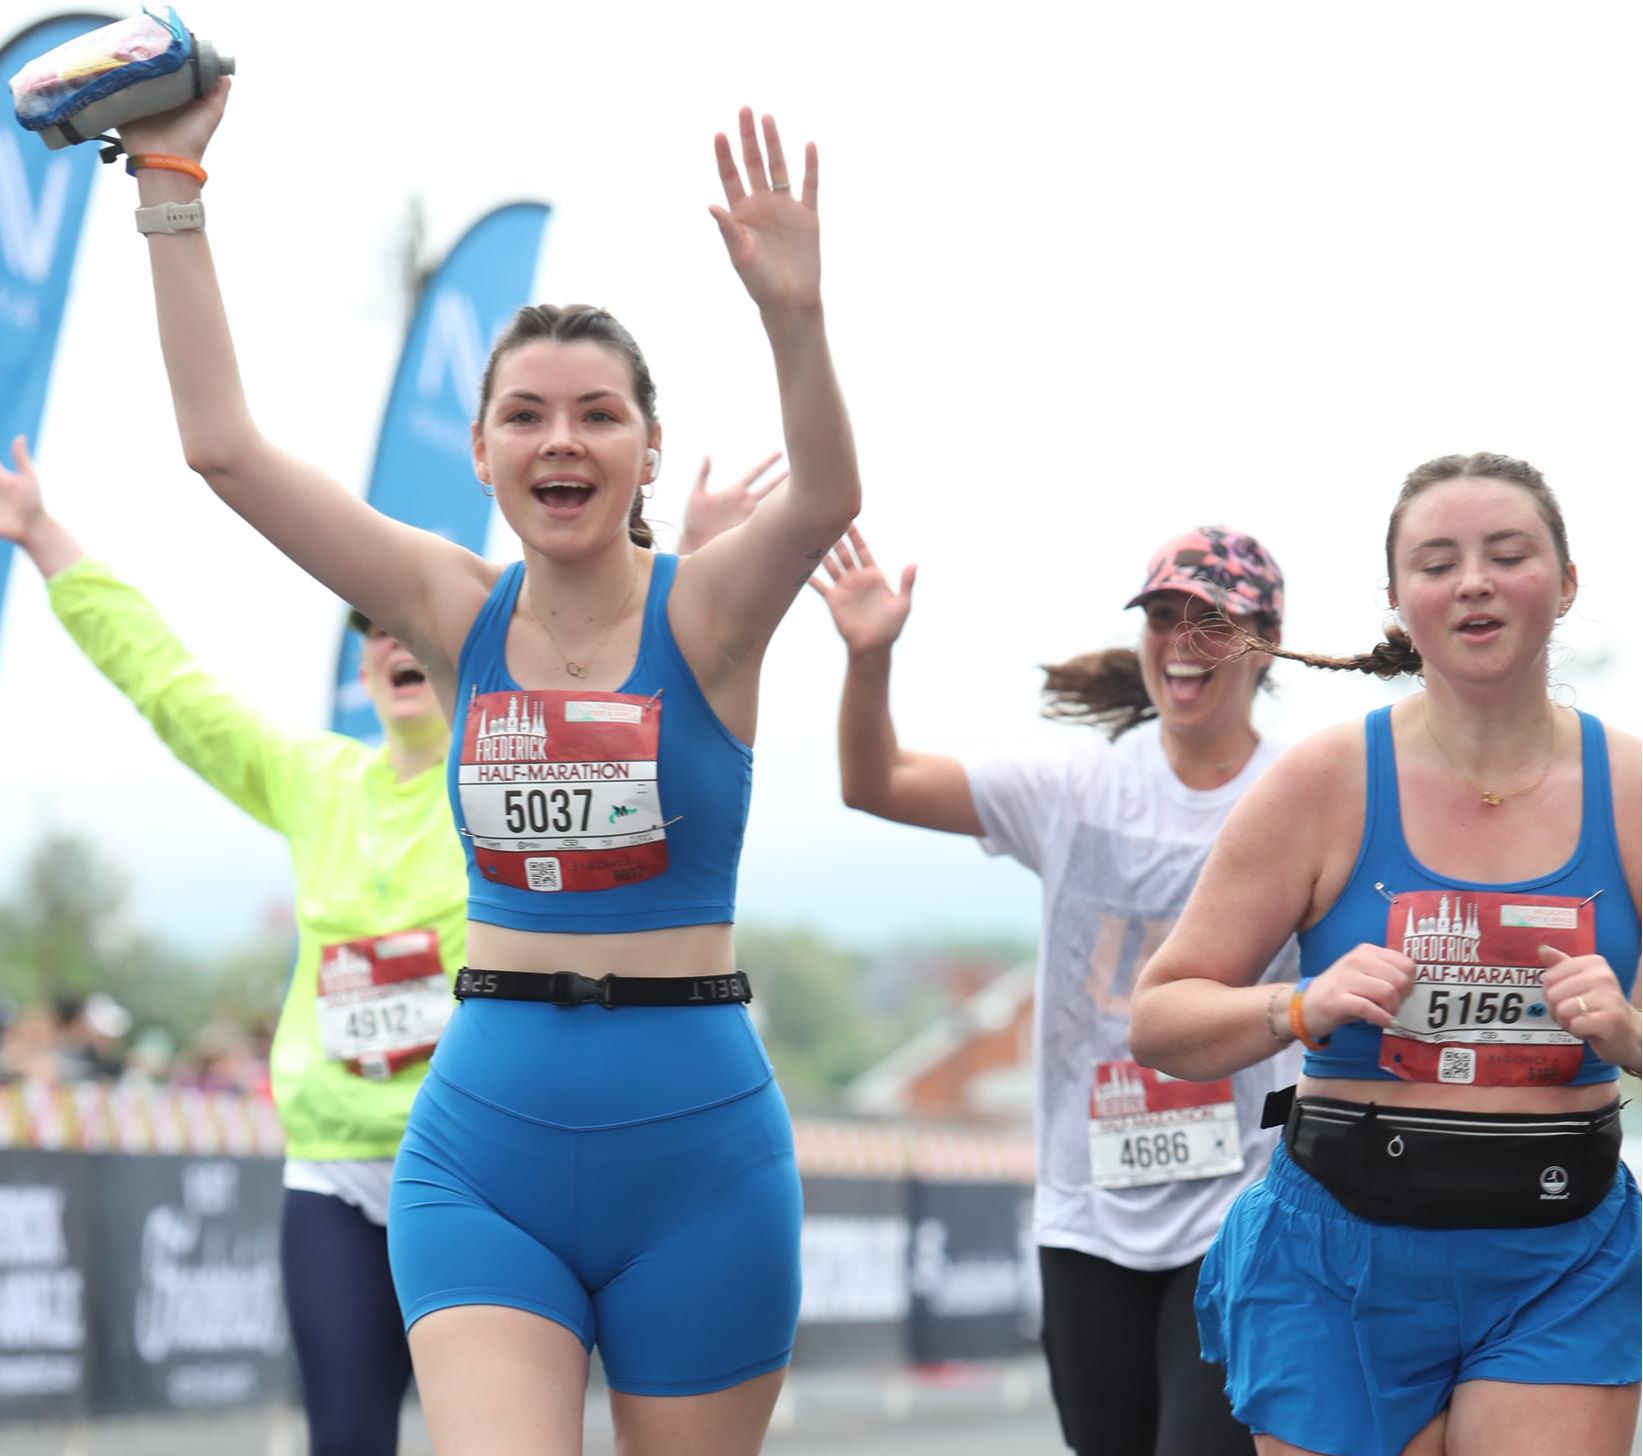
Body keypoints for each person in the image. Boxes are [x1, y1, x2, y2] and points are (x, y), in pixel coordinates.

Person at [117, 82, 859, 1456]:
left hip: (697, 1155)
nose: (559, 439)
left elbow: (822, 499)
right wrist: (170, 182)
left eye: (597, 414)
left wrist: (793, 315)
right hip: (483, 1152)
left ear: (644, 449)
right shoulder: (453, 614)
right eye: (524, 415)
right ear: (480, 450)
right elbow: (223, 449)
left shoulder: (706, 614)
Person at [1129, 453, 1642, 1456]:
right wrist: (1296, 1005)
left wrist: (1628, 1032)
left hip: (1559, 1255)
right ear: (1399, 601)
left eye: (1507, 555)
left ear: (1565, 582)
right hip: (1335, 1258)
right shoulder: (1321, 781)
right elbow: (1159, 1018)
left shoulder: (1627, 787)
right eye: (1437, 563)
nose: (1473, 582)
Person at [0, 433, 461, 1455]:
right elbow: (172, 687)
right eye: (372, 627)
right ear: (362, 662)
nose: (392, 642)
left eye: (412, 624)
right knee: (345, 1440)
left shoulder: (500, 789)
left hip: (472, 1165)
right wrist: (42, 536)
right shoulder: (316, 782)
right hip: (335, 1171)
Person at [811, 523, 1301, 1455]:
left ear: (1264, 643)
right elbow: (875, 782)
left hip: (1242, 1202)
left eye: (1210, 619)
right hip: (1087, 1207)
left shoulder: (1303, 793)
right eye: (1161, 616)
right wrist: (868, 658)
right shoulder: (1078, 787)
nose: (1180, 640)